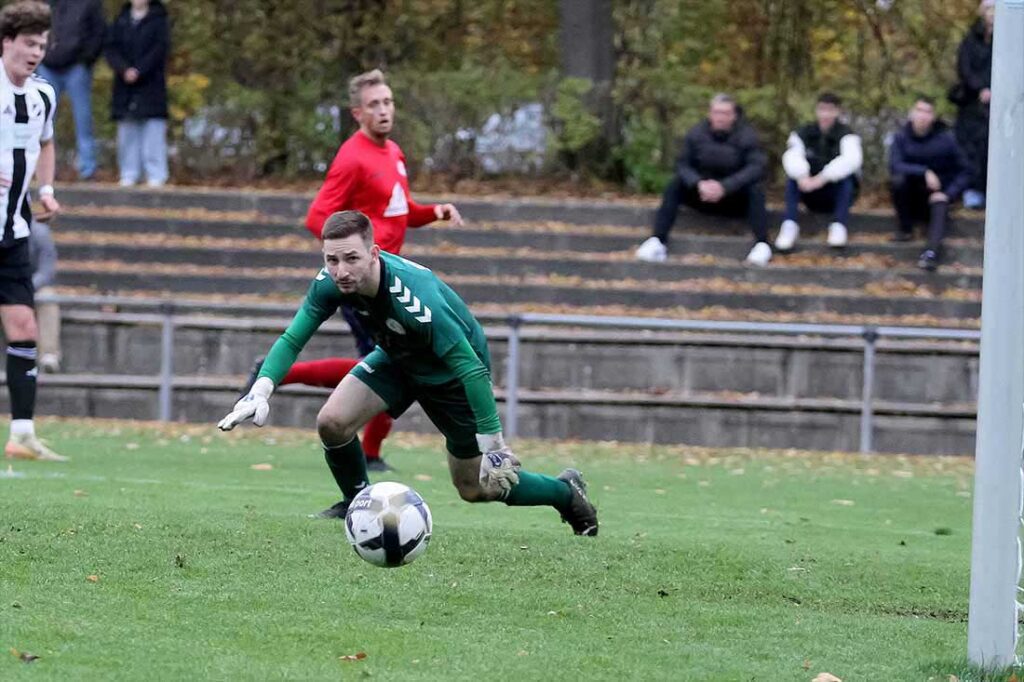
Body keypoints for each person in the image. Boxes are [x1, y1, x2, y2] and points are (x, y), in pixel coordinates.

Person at [219, 210, 598, 536]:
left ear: (374, 253)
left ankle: (565, 492)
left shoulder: (415, 299)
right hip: (399, 359)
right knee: (332, 422)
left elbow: (470, 367)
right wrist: (261, 389)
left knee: (475, 486)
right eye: (331, 260)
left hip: (451, 376)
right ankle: (356, 505)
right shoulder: (329, 283)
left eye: (351, 258)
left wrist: (493, 444)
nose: (340, 270)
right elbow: (293, 336)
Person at [242, 69, 462, 472]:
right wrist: (350, 264)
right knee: (390, 365)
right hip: (365, 287)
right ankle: (368, 452)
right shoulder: (352, 157)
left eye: (388, 102)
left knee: (387, 364)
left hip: (390, 282)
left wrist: (435, 213)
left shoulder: (393, 152)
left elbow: (401, 210)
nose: (384, 110)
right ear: (357, 113)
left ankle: (285, 380)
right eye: (374, 104)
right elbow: (317, 217)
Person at [0, 1, 67, 462]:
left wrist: (45, 189)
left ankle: (21, 433)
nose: (35, 53)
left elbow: (45, 142)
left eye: (41, 45)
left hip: (12, 232)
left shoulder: (43, 94)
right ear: (6, 42)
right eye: (28, 43)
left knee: (24, 327)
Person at [635, 93, 771, 267]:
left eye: (725, 113)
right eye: (716, 112)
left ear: (734, 115)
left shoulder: (747, 136)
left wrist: (725, 186)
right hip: (701, 194)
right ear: (710, 113)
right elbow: (682, 164)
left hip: (734, 198)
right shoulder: (696, 133)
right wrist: (698, 183)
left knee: (756, 190)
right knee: (675, 185)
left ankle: (762, 244)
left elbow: (756, 168)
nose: (720, 117)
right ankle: (657, 241)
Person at [889, 97, 971, 271]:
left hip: (937, 195)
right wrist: (924, 172)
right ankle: (905, 229)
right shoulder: (901, 137)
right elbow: (895, 165)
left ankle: (931, 253)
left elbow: (965, 171)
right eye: (919, 110)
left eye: (928, 112)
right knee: (898, 181)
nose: (923, 116)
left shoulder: (946, 140)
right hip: (911, 195)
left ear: (933, 117)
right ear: (912, 114)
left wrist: (949, 193)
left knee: (940, 204)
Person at [776, 92, 862, 252]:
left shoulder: (847, 134)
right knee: (792, 180)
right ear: (816, 110)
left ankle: (838, 225)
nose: (826, 114)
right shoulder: (803, 132)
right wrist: (802, 176)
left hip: (834, 193)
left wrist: (822, 178)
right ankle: (789, 225)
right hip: (808, 191)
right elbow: (792, 155)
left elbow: (851, 160)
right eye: (822, 109)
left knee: (847, 179)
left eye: (830, 110)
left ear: (837, 112)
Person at [34, 0, 104, 181]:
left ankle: (88, 169)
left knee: (83, 118)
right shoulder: (46, 3)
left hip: (77, 67)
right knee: (43, 120)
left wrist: (86, 60)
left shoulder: (90, 4)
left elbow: (98, 32)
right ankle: (43, 169)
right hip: (48, 66)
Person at [104, 0, 169, 187]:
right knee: (127, 131)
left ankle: (156, 174)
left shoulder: (159, 20)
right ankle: (129, 172)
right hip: (124, 84)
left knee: (153, 131)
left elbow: (160, 49)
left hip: (151, 82)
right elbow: (111, 48)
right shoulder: (121, 20)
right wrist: (124, 69)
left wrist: (140, 70)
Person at [951, 0, 994, 210]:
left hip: (998, 106)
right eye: (989, 10)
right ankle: (972, 191)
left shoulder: (1009, 39)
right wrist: (980, 89)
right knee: (970, 149)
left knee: (991, 148)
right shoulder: (970, 40)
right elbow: (965, 68)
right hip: (972, 105)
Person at [29, 218, 59, 373]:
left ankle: (48, 354)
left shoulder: (39, 233)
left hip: (32, 288)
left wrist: (25, 287)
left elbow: (46, 271)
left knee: (47, 296)